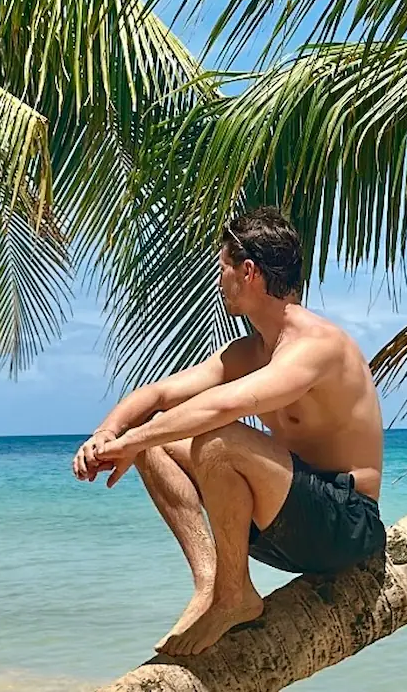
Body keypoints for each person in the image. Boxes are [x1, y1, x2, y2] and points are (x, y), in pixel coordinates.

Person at [71, 206, 386, 656]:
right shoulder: (251, 351)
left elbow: (224, 406)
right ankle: (213, 585)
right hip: (286, 521)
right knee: (153, 437)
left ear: (248, 272)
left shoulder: (316, 345)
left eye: (223, 267)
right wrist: (109, 434)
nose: (219, 280)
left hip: (345, 525)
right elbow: (160, 393)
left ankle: (232, 596)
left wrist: (129, 444)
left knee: (217, 440)